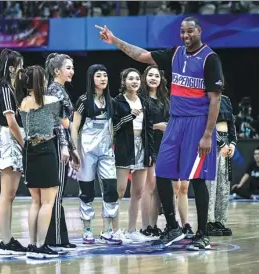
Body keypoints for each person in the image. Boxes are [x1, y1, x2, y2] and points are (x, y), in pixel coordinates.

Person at [96, 16, 224, 250]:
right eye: (182, 32)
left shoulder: (210, 58)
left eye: (190, 32)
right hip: (176, 121)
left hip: (198, 124)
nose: (186, 36)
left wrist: (207, 134)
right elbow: (141, 55)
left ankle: (202, 233)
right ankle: (173, 226)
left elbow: (215, 100)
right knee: (162, 172)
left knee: (196, 179)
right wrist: (114, 40)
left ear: (200, 31)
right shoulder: (175, 53)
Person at [17, 65, 65, 259]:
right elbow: (61, 121)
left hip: (29, 151)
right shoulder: (52, 100)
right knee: (48, 202)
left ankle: (31, 243)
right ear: (42, 80)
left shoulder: (23, 102)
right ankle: (40, 245)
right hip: (46, 150)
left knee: (35, 201)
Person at [71, 64, 122, 245]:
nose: (103, 79)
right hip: (87, 152)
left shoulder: (111, 102)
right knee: (87, 191)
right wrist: (74, 150)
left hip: (106, 151)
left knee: (110, 190)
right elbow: (74, 126)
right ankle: (87, 229)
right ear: (91, 78)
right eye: (99, 75)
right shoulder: (84, 101)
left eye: (105, 75)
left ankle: (107, 230)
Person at [0, 49, 27, 255]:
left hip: (13, 137)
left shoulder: (12, 88)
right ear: (12, 68)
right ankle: (5, 240)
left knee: (10, 194)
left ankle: (8, 238)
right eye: (20, 65)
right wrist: (25, 144)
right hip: (8, 138)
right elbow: (11, 123)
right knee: (6, 193)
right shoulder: (5, 88)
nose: (23, 69)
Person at [112, 68, 154, 243]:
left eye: (137, 78)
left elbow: (149, 129)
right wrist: (129, 117)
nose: (135, 81)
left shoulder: (144, 102)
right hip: (124, 147)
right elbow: (113, 128)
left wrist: (150, 152)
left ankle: (132, 230)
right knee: (119, 190)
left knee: (137, 191)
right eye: (131, 78)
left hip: (142, 148)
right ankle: (114, 230)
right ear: (124, 81)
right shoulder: (116, 102)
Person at [44, 53, 79, 250]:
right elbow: (57, 123)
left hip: (62, 145)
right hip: (57, 145)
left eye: (72, 67)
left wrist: (72, 149)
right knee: (56, 194)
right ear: (57, 71)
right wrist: (66, 147)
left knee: (59, 193)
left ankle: (60, 238)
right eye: (68, 67)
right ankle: (55, 238)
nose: (72, 71)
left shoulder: (60, 90)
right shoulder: (54, 91)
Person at [139, 65, 168, 239]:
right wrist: (157, 126)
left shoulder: (165, 100)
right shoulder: (141, 99)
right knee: (148, 187)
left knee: (158, 189)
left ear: (160, 79)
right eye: (150, 75)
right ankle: (145, 226)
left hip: (164, 146)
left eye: (156, 75)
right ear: (145, 78)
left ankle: (154, 224)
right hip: (148, 145)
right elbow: (138, 125)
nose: (153, 78)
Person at [206, 94, 237, 236]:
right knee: (211, 184)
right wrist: (221, 143)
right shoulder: (204, 98)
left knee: (223, 185)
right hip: (212, 143)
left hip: (226, 143)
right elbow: (207, 124)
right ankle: (208, 221)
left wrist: (232, 143)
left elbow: (232, 124)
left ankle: (219, 220)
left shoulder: (226, 99)